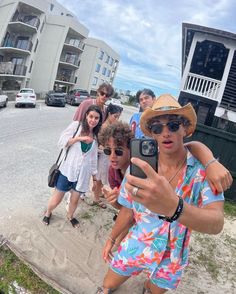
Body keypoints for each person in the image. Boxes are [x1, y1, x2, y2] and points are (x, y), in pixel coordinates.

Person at [97, 94, 232, 294]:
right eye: (157, 128)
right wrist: (113, 238)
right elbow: (128, 211)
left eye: (174, 125)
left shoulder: (202, 171)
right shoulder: (139, 166)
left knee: (153, 291)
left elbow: (216, 223)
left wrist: (175, 208)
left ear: (185, 128)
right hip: (138, 242)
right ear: (152, 134)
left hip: (172, 255)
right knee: (108, 284)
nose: (165, 132)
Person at [43, 105, 102, 228]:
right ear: (86, 116)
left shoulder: (96, 137)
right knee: (57, 199)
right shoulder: (76, 126)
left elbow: (93, 160)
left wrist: (95, 178)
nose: (93, 120)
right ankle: (48, 212)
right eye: (91, 116)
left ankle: (70, 216)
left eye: (96, 118)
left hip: (82, 175)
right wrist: (80, 138)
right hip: (67, 171)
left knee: (75, 200)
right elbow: (62, 142)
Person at [92, 104, 123, 208]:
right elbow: (100, 144)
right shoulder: (105, 127)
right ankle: (96, 198)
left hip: (106, 155)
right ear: (109, 114)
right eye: (115, 116)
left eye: (118, 117)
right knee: (100, 177)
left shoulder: (110, 126)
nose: (117, 119)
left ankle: (99, 194)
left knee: (102, 176)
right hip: (103, 156)